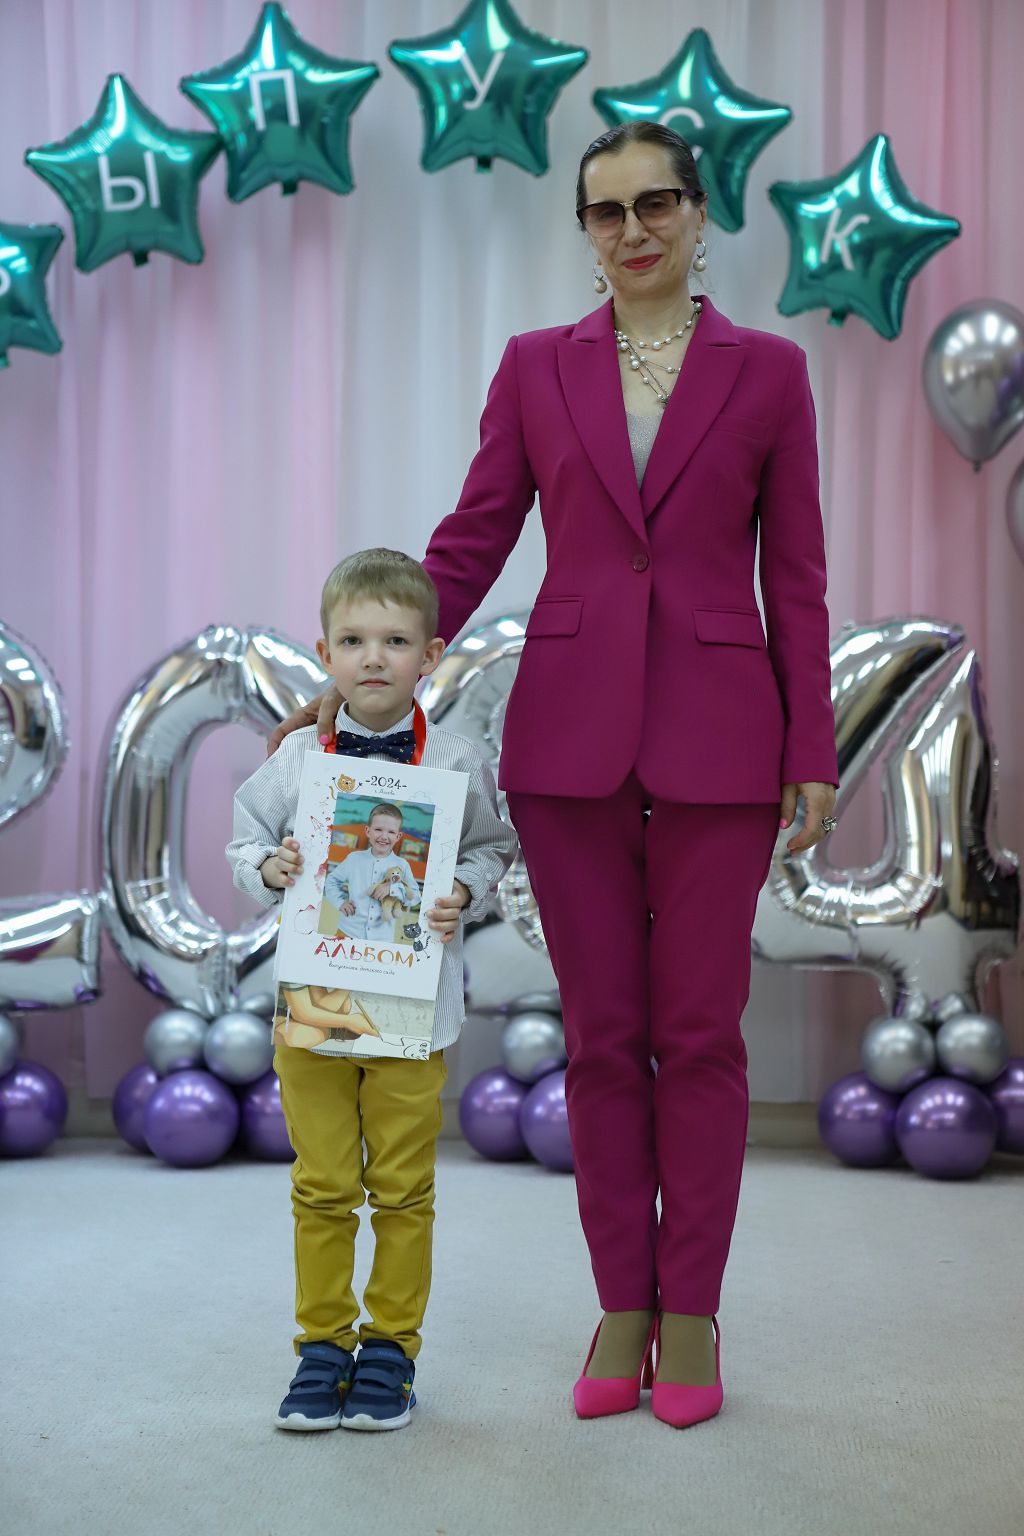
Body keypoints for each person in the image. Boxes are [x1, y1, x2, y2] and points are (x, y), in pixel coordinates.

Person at [269, 123, 839, 1430]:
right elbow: (473, 537)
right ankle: (621, 1303)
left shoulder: (771, 374)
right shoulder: (537, 367)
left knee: (700, 1038)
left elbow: (797, 576)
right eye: (605, 211)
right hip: (568, 743)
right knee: (601, 1040)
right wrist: (372, 667)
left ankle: (691, 1314)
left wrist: (809, 745)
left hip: (722, 742)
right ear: (584, 228)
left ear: (699, 213)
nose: (632, 230)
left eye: (655, 204)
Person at [227, 548, 518, 1433]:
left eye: (395, 641)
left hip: (410, 1010)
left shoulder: (459, 758)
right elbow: (245, 839)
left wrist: (462, 887)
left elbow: (493, 846)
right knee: (321, 1185)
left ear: (431, 655)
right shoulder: (296, 759)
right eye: (353, 640)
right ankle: (321, 1347)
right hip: (314, 1008)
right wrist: (269, 869)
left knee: (401, 1188)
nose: (374, 658)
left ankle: (391, 1349)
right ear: (325, 653)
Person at [323, 804, 421, 941]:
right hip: (347, 931)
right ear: (368, 831)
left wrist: (393, 889)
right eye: (378, 829)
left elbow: (416, 896)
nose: (384, 836)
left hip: (382, 939)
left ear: (398, 836)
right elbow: (331, 881)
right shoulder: (354, 858)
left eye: (391, 832)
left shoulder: (402, 865)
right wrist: (340, 902)